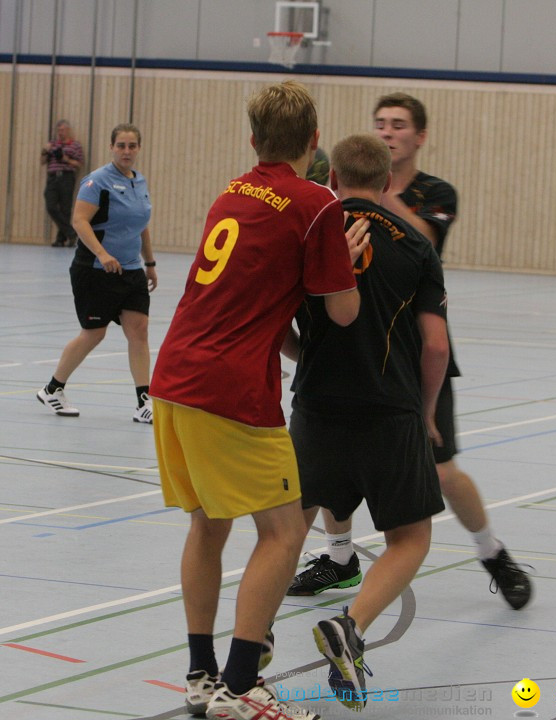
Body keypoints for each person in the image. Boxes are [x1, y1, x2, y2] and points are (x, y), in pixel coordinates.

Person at [150, 81, 362, 720]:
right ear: (314, 141)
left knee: (207, 526)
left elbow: (260, 311)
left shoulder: (231, 193)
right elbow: (344, 313)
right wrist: (347, 258)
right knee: (281, 531)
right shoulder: (316, 203)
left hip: (173, 378)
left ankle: (201, 675)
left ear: (253, 140)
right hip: (230, 389)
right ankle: (242, 686)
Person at [287, 92, 532, 612]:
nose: (387, 132)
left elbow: (421, 238)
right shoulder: (334, 211)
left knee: (440, 469)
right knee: (337, 457)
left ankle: (492, 552)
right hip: (348, 355)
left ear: (419, 136)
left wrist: (379, 195)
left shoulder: (433, 193)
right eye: (379, 124)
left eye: (398, 125)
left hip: (410, 358)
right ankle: (340, 556)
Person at [284, 133, 450, 709]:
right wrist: (426, 414)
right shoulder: (417, 249)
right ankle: (349, 628)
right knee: (411, 538)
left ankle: (249, 647)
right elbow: (435, 346)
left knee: (283, 533)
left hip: (316, 408)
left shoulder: (310, 231)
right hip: (390, 411)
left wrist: (307, 358)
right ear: (385, 185)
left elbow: (276, 321)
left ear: (332, 181)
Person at [36, 123, 157, 424]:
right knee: (94, 333)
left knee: (139, 331)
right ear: (112, 147)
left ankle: (144, 401)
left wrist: (150, 263)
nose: (127, 151)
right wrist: (102, 254)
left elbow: (141, 225)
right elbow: (79, 221)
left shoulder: (139, 182)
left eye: (132, 145)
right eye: (121, 145)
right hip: (95, 270)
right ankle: (53, 389)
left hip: (130, 271)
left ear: (139, 148)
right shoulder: (97, 182)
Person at [41, 119, 84, 247]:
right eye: (58, 130)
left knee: (66, 209)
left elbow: (79, 164)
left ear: (68, 130)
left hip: (67, 176)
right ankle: (71, 233)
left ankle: (61, 239)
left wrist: (66, 159)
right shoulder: (52, 144)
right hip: (53, 177)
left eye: (63, 130)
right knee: (51, 206)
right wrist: (45, 150)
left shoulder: (75, 145)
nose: (60, 133)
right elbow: (43, 161)